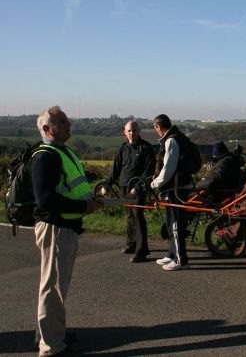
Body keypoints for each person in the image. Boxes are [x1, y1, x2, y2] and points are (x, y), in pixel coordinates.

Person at [31, 106, 102, 356]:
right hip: (56, 228)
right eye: (62, 121)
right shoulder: (45, 157)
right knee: (54, 288)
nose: (68, 123)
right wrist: (85, 205)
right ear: (47, 130)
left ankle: (49, 335)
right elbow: (45, 200)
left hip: (64, 227)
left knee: (54, 286)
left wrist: (89, 199)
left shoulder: (61, 153)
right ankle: (51, 346)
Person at [101, 120, 155, 262]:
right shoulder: (123, 148)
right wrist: (106, 185)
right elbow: (116, 169)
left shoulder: (146, 148)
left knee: (137, 216)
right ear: (125, 132)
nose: (132, 133)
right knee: (129, 216)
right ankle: (131, 244)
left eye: (134, 130)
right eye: (129, 131)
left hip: (138, 188)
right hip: (124, 187)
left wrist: (137, 188)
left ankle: (142, 251)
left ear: (139, 131)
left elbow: (148, 172)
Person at [150, 114, 193, 271]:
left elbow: (168, 169)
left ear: (158, 127)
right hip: (175, 187)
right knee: (170, 222)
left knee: (176, 224)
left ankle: (182, 260)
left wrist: (154, 184)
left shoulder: (171, 140)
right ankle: (171, 254)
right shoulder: (177, 137)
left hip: (175, 188)